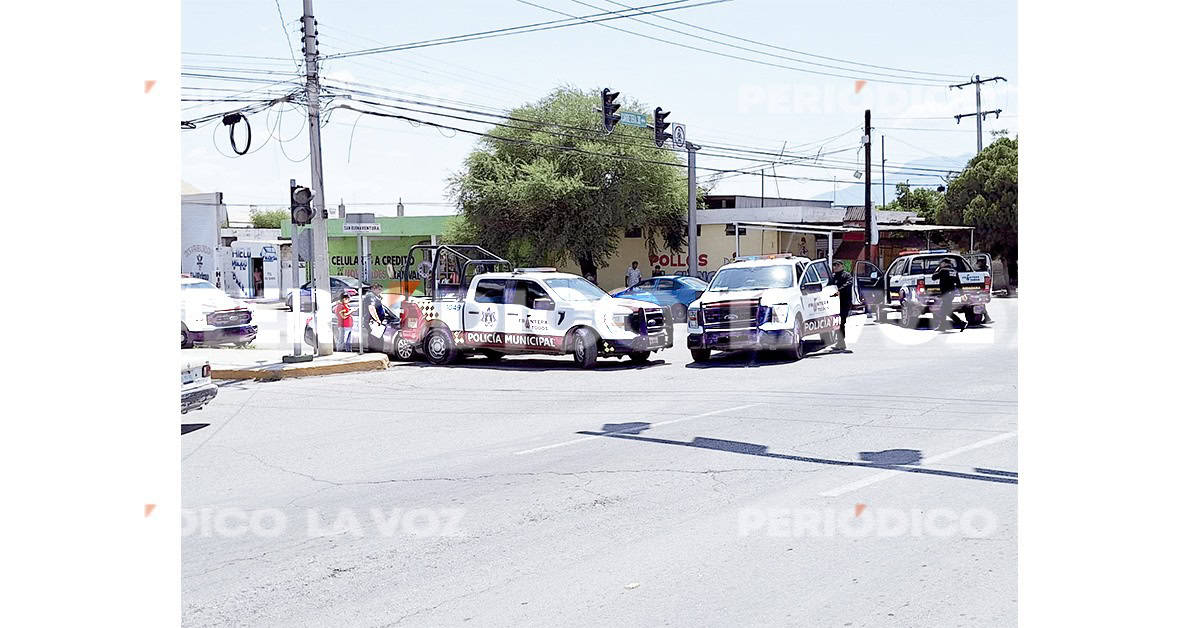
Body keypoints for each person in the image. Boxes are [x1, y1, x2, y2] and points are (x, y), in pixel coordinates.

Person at [931, 259, 966, 332]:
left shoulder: (943, 270)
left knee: (946, 311)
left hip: (946, 293)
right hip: (952, 294)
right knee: (944, 310)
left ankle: (961, 323)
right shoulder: (954, 271)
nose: (940, 265)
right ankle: (942, 326)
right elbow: (959, 284)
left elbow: (933, 277)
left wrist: (937, 269)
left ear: (944, 263)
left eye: (941, 263)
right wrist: (962, 294)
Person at [828, 260, 854, 351]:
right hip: (834, 303)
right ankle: (839, 342)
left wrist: (838, 290)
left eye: (837, 265)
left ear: (842, 266)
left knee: (841, 322)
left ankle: (841, 342)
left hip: (844, 303)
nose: (835, 267)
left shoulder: (846, 275)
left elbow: (848, 284)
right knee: (836, 323)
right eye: (834, 265)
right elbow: (828, 287)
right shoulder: (833, 276)